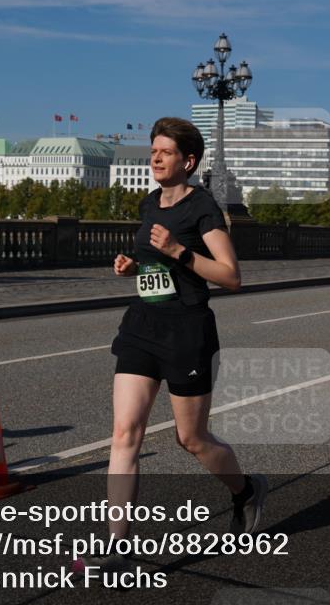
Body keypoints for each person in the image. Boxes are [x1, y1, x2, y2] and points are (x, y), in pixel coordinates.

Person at [76, 118, 266, 574]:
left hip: (187, 332)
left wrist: (181, 251)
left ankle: (246, 490)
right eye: (153, 151)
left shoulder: (203, 209)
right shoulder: (149, 205)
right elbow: (152, 263)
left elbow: (231, 276)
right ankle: (117, 550)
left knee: (192, 439)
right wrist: (132, 267)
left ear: (189, 161)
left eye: (164, 152)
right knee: (125, 434)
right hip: (142, 325)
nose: (155, 158)